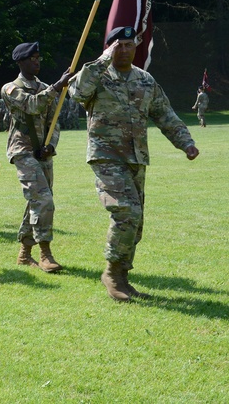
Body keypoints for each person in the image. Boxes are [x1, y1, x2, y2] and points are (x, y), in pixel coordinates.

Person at [69, 26, 199, 302]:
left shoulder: (145, 80)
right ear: (109, 48)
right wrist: (103, 59)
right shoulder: (97, 75)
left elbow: (165, 114)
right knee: (126, 214)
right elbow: (77, 93)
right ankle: (112, 274)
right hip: (106, 157)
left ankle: (123, 278)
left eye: (129, 45)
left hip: (136, 158)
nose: (124, 50)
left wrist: (185, 142)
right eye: (119, 45)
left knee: (136, 223)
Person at [0, 42, 73, 273]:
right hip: (22, 150)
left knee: (36, 200)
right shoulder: (11, 88)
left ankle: (24, 253)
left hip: (43, 152)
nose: (37, 62)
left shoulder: (44, 87)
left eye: (39, 58)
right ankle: (45, 254)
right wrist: (57, 87)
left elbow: (54, 121)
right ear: (21, 62)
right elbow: (31, 106)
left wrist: (51, 145)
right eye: (32, 58)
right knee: (44, 200)